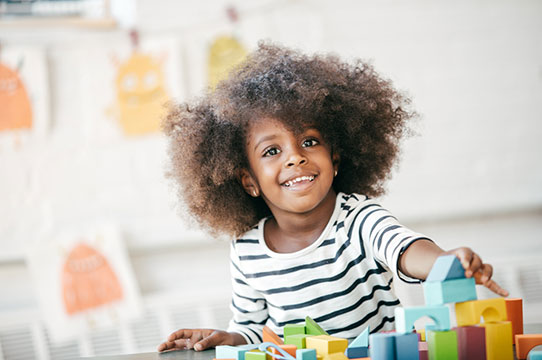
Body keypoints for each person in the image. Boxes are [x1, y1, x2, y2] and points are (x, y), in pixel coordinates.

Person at [157, 42, 508, 353]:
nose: (295, 157)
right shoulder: (247, 250)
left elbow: (404, 249)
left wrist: (446, 263)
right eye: (272, 151)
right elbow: (250, 328)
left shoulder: (359, 218)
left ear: (335, 159)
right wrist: (227, 337)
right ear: (249, 181)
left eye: (309, 141)